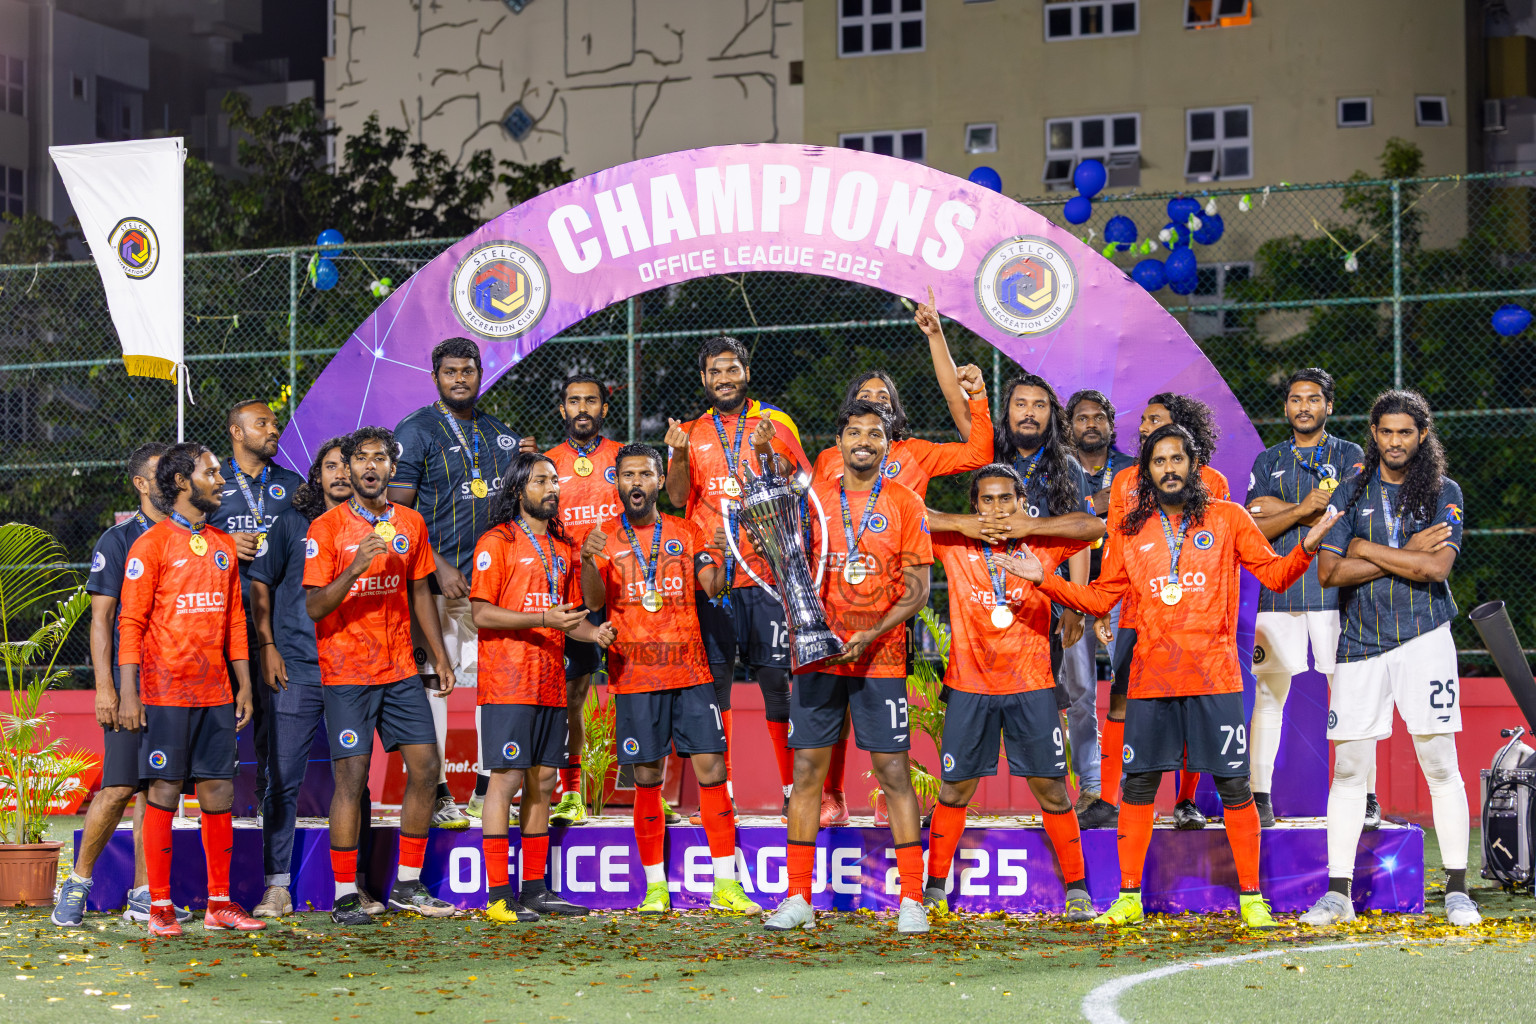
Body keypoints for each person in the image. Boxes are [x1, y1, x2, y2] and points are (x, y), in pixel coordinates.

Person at [1019, 424, 1338, 930]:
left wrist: (1310, 545)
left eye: (1177, 459)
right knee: (1139, 786)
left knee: (1235, 787)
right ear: (1146, 472)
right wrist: (1047, 582)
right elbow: (1102, 598)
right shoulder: (1128, 529)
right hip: (1150, 680)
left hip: (1215, 679)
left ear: (1194, 465)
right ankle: (1128, 896)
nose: (1168, 468)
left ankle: (1251, 897)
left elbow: (1275, 575)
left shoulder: (1228, 518)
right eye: (1158, 461)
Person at [809, 288, 993, 826]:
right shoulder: (828, 459)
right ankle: (832, 797)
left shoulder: (915, 454)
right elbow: (819, 528)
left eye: (884, 397)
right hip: (836, 604)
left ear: (895, 410)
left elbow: (980, 452)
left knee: (887, 709)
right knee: (834, 707)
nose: (876, 402)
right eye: (866, 397)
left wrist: (971, 391)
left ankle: (891, 799)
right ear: (847, 417)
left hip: (894, 607)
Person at [1303, 390, 1480, 927]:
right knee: (1350, 769)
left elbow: (1436, 571)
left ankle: (1456, 890)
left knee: (1440, 764)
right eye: (1386, 432)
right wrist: (1404, 555)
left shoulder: (1442, 491)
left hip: (1425, 637)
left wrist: (1366, 550)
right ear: (1374, 433)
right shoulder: (1351, 492)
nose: (1395, 441)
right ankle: (1338, 894)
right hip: (1359, 642)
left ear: (1421, 436)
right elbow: (1330, 574)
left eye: (1406, 432)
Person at [763, 401, 933, 935]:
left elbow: (919, 591)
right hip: (820, 656)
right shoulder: (812, 502)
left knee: (893, 773)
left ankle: (911, 900)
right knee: (808, 773)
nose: (864, 441)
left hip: (879, 656)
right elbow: (792, 571)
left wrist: (871, 634)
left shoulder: (905, 503)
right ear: (838, 441)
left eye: (875, 433)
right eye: (855, 432)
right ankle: (797, 897)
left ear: (887, 444)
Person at [579, 444, 761, 917]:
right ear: (616, 483)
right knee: (646, 778)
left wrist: (720, 556)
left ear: (660, 481)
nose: (635, 483)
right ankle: (656, 888)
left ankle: (726, 884)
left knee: (712, 772)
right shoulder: (604, 540)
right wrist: (585, 563)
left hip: (691, 671)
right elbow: (595, 602)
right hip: (635, 675)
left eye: (644, 474)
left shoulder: (687, 529)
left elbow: (713, 588)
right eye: (627, 475)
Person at [924, 464, 1099, 920]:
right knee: (955, 790)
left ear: (1021, 502)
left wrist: (1031, 525)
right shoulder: (954, 544)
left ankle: (1078, 890)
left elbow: (1094, 525)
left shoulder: (1040, 543)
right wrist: (961, 523)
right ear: (975, 505)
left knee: (1053, 792)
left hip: (1032, 685)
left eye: (1007, 499)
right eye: (987, 500)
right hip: (969, 686)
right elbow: (906, 514)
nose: (997, 509)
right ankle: (934, 888)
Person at [307, 426, 460, 924]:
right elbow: (313, 607)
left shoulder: (411, 522)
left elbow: (420, 592)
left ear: (392, 468)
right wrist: (353, 568)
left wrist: (438, 653)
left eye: (380, 459)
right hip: (347, 672)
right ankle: (345, 893)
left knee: (426, 769)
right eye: (361, 459)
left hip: (399, 670)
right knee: (350, 780)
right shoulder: (326, 529)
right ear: (348, 469)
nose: (371, 467)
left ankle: (409, 887)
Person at [116, 442, 263, 937]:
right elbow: (130, 623)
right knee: (162, 790)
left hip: (216, 693)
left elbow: (235, 622)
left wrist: (243, 683)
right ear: (182, 482)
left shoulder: (222, 544)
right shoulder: (150, 546)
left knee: (219, 790)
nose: (220, 479)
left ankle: (219, 904)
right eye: (211, 472)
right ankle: (159, 907)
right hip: (162, 694)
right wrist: (129, 694)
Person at [389, 337, 535, 827]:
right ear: (436, 377)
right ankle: (436, 791)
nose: (460, 378)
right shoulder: (415, 430)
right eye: (450, 371)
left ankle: (483, 788)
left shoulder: (503, 435)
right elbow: (396, 512)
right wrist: (438, 564)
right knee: (436, 684)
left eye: (468, 370)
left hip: (489, 589)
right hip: (432, 585)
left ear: (480, 374)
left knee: (491, 686)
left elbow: (517, 510)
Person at [664, 336, 809, 819]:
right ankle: (719, 797)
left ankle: (792, 793)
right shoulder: (690, 431)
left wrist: (770, 450)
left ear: (746, 371)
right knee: (717, 684)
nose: (724, 379)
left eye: (732, 370)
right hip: (713, 577)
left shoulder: (777, 421)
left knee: (775, 681)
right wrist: (679, 456)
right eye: (714, 372)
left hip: (768, 573)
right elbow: (678, 498)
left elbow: (799, 485)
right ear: (703, 378)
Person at [471, 452, 616, 922]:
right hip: (508, 682)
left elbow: (584, 606)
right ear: (518, 491)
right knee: (507, 781)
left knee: (544, 782)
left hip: (550, 681)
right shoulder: (497, 541)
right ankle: (497, 896)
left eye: (555, 480)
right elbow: (481, 614)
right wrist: (541, 619)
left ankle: (534, 889)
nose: (553, 487)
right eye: (541, 481)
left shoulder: (564, 544)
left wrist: (592, 631)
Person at [247, 438, 384, 919]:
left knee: (355, 780)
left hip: (352, 671)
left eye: (347, 466)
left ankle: (357, 884)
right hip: (298, 670)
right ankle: (277, 887)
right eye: (331, 466)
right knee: (282, 778)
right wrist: (267, 647)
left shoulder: (374, 528)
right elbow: (259, 583)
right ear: (318, 475)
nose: (342, 474)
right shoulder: (290, 524)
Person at [1094, 393, 1233, 831]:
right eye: (1143, 420)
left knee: (1192, 709)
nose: (1143, 426)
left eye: (1155, 419)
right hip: (1136, 614)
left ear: (1181, 429)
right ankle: (1112, 800)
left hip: (1192, 620)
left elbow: (1220, 555)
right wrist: (1105, 602)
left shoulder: (1213, 480)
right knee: (1121, 699)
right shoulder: (1125, 482)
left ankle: (1186, 802)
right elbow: (1116, 545)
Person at [51, 443, 174, 928]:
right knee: (120, 786)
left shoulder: (193, 536)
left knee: (158, 790)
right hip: (130, 683)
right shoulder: (118, 539)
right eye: (161, 475)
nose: (172, 481)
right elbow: (101, 621)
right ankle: (77, 882)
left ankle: (144, 893)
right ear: (141, 484)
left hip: (178, 688)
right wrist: (107, 688)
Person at [1244, 368, 1368, 828]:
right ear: (1286, 407)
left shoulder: (1352, 454)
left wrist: (1281, 512)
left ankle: (1366, 797)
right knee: (1269, 696)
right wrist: (1302, 509)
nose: (1303, 407)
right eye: (1295, 399)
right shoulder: (1267, 459)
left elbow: (1346, 515)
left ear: (1328, 406)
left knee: (1350, 692)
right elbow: (1252, 523)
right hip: (1280, 590)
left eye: (1313, 399)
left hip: (1336, 592)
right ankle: (1259, 797)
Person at [210, 399, 306, 812]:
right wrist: (225, 543)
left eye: (275, 423)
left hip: (276, 619)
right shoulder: (210, 483)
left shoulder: (294, 483)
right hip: (221, 616)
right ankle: (216, 804)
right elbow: (183, 535)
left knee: (274, 711)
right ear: (236, 431)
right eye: (262, 423)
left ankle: (269, 804)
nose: (274, 430)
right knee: (221, 711)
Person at [543, 374, 624, 827]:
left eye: (591, 401)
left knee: (633, 692)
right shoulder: (547, 463)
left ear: (603, 409)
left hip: (624, 592)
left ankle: (645, 786)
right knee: (574, 692)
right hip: (571, 594)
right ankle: (571, 791)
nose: (583, 408)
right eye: (574, 401)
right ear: (563, 410)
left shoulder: (622, 459)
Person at [1062, 388, 1137, 830]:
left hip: (1126, 592)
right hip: (1077, 593)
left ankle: (1126, 784)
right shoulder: (1060, 470)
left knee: (1129, 693)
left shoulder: (1132, 469)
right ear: (1070, 427)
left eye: (1098, 418)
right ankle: (1092, 785)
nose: (1091, 424)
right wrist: (1096, 507)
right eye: (1082, 418)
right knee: (1082, 694)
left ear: (1110, 424)